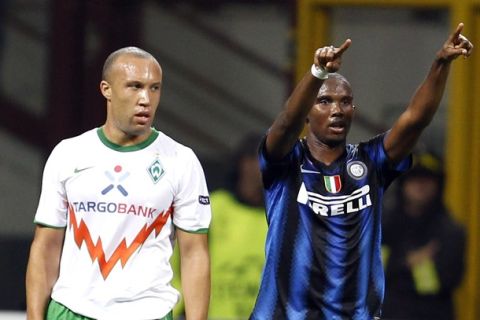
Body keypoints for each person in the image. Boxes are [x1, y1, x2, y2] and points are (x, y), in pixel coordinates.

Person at [249, 23, 473, 319]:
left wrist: (441, 63)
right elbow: (286, 124)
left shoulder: (371, 162)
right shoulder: (285, 163)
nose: (337, 110)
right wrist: (316, 74)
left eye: (345, 102)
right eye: (324, 101)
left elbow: (415, 120)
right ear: (307, 111)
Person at [25, 47, 211, 320]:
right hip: (72, 311)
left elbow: (195, 254)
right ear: (106, 89)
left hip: (148, 313)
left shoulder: (181, 161)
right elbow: (45, 246)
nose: (146, 99)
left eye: (154, 88)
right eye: (134, 86)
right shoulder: (68, 154)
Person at [172, 133, 267, 319]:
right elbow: (180, 261)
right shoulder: (213, 207)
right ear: (243, 163)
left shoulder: (277, 217)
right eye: (259, 160)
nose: (265, 168)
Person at [381, 155, 466, 320]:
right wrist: (408, 262)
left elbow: (442, 282)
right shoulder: (382, 225)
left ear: (438, 185)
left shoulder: (450, 231)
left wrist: (394, 266)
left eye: (427, 180)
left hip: (431, 313)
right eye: (413, 180)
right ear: (402, 184)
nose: (420, 186)